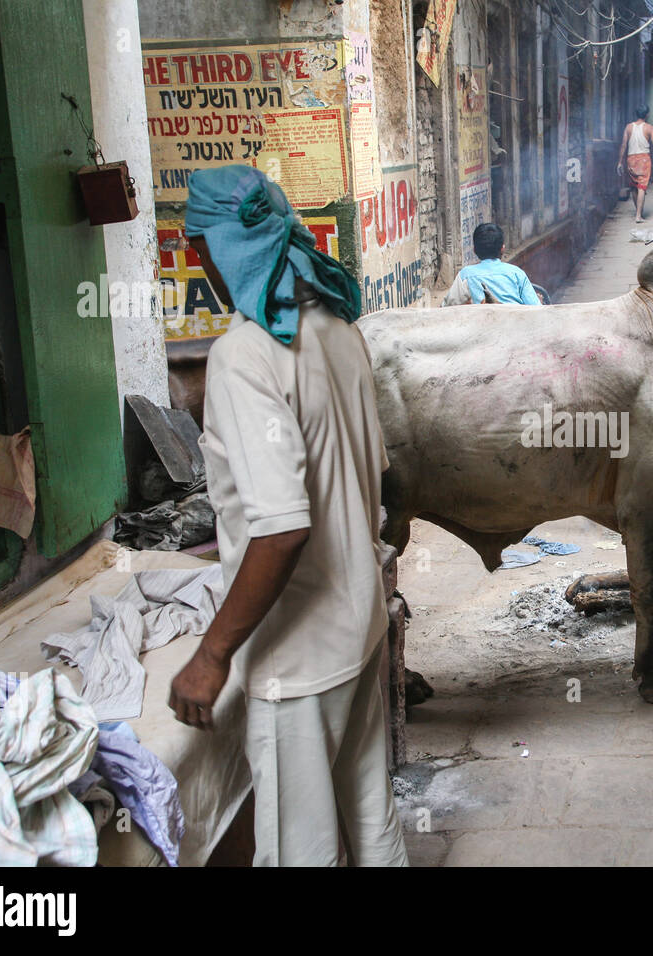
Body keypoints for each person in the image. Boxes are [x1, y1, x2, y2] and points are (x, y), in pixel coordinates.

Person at [168, 165, 408, 867]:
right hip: (361, 619)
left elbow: (283, 527)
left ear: (226, 249)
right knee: (372, 816)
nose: (199, 262)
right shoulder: (338, 328)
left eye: (201, 245)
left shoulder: (245, 355)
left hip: (298, 658)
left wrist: (212, 655)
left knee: (296, 850)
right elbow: (366, 479)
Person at [441, 222, 541, 306]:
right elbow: (536, 308)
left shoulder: (465, 275)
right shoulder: (517, 273)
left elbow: (447, 307)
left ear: (474, 250)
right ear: (502, 248)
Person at [617, 106, 653, 223]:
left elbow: (623, 145)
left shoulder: (628, 127)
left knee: (634, 186)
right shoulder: (649, 128)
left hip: (631, 159)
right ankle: (638, 215)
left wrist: (619, 162)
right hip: (644, 159)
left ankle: (638, 211)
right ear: (647, 115)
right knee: (642, 187)